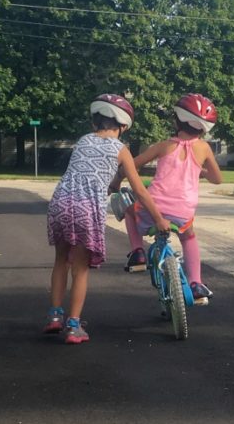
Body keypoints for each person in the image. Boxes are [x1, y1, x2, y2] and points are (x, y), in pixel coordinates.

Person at [45, 94, 170, 344]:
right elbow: (139, 190)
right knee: (80, 269)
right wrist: (158, 218)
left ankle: (55, 317)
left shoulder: (83, 141)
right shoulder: (121, 150)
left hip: (60, 202)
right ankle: (73, 326)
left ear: (94, 124)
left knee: (61, 261)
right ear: (123, 127)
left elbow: (86, 172)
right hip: (86, 209)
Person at [114, 93, 223, 305]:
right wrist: (201, 172)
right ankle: (196, 283)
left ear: (176, 120)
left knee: (130, 208)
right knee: (189, 237)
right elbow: (217, 178)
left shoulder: (164, 146)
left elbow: (132, 165)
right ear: (203, 128)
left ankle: (138, 253)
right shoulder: (204, 148)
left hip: (152, 206)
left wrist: (118, 180)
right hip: (183, 212)